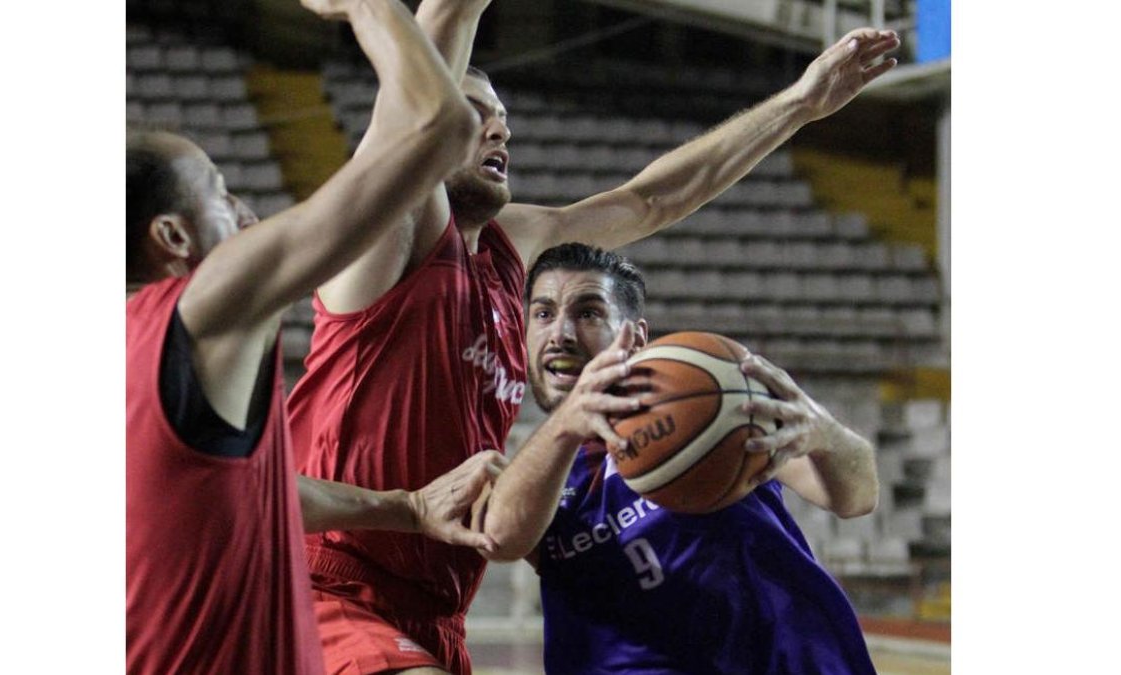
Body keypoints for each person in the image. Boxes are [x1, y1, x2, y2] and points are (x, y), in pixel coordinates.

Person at [286, 0, 899, 670]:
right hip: (334, 578)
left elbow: (652, 201)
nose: (496, 128)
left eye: (503, 120)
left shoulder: (507, 251)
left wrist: (800, 104)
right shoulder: (387, 238)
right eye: (473, 110)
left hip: (435, 605)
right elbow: (417, 112)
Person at [124, 1, 503, 673]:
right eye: (217, 191)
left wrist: (407, 507)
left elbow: (261, 492)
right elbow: (439, 127)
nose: (245, 208)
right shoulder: (206, 306)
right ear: (173, 237)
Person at [475, 242, 880, 674]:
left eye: (588, 312)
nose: (560, 333)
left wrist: (825, 434)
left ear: (636, 338)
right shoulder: (538, 472)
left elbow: (855, 498)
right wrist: (568, 424)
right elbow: (502, 539)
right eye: (543, 314)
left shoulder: (710, 410)